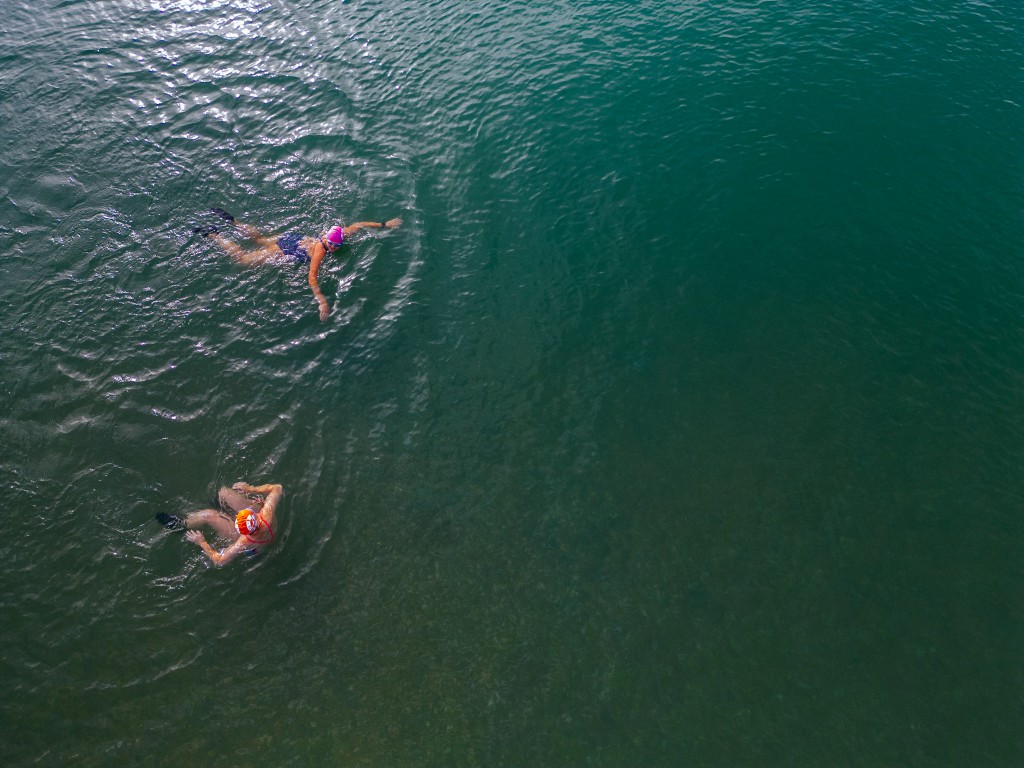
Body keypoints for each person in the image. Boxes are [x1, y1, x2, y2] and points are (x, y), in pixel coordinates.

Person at [194, 207, 402, 320]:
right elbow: (312, 276)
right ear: (331, 244)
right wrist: (322, 301)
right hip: (289, 249)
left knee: (260, 239)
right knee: (244, 260)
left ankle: (233, 221)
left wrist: (384, 224)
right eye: (336, 246)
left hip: (293, 239)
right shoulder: (321, 251)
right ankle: (213, 235)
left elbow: (359, 224)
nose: (337, 248)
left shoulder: (337, 233)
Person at [156, 480, 284, 567]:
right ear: (254, 514)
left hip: (256, 547)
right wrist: (251, 489)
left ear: (242, 532)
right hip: (269, 533)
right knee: (224, 493)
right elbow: (277, 488)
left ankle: (182, 524)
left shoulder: (243, 542)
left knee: (209, 515)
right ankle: (221, 507)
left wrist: (202, 542)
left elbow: (219, 561)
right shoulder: (267, 513)